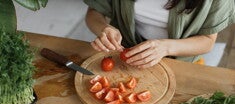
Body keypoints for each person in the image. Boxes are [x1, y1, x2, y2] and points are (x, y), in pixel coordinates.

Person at [83, 0, 235, 68]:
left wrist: (166, 47)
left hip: (181, 62)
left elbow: (207, 41)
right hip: (123, 55)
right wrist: (104, 28)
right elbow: (94, 12)